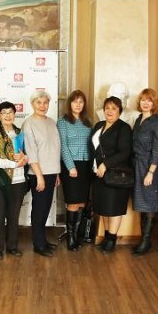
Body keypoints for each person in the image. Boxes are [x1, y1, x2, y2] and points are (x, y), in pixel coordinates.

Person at [0, 101, 29, 260]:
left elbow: (26, 154)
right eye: (3, 112)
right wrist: (14, 164)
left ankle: (12, 246)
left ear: (14, 114)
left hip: (18, 179)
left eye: (10, 112)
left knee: (14, 215)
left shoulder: (19, 133)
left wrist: (24, 158)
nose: (7, 115)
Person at [91, 96, 133, 254]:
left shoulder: (124, 128)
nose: (110, 111)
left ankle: (111, 240)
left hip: (115, 175)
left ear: (119, 111)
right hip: (98, 175)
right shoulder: (99, 125)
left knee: (114, 208)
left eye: (114, 108)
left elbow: (125, 152)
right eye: (107, 108)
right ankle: (106, 237)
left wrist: (105, 164)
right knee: (103, 208)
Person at [22, 90, 61, 257]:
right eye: (39, 102)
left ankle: (43, 240)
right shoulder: (28, 123)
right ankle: (38, 244)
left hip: (52, 172)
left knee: (45, 208)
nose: (42, 106)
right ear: (32, 104)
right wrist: (39, 176)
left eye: (45, 102)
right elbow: (31, 152)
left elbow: (54, 149)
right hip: (38, 173)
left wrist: (56, 173)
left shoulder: (51, 122)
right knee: (39, 209)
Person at [130, 88, 158, 256]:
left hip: (149, 166)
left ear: (154, 103)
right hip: (136, 164)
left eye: (149, 100)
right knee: (140, 202)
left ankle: (146, 241)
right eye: (143, 100)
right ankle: (143, 240)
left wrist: (151, 172)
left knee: (149, 202)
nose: (145, 103)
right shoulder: (139, 120)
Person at [57, 90, 93, 251]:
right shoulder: (62, 122)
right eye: (75, 101)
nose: (78, 104)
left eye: (81, 101)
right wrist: (71, 167)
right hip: (70, 165)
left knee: (82, 202)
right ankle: (70, 238)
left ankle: (78, 235)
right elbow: (63, 146)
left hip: (86, 165)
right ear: (69, 103)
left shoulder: (88, 121)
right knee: (73, 201)